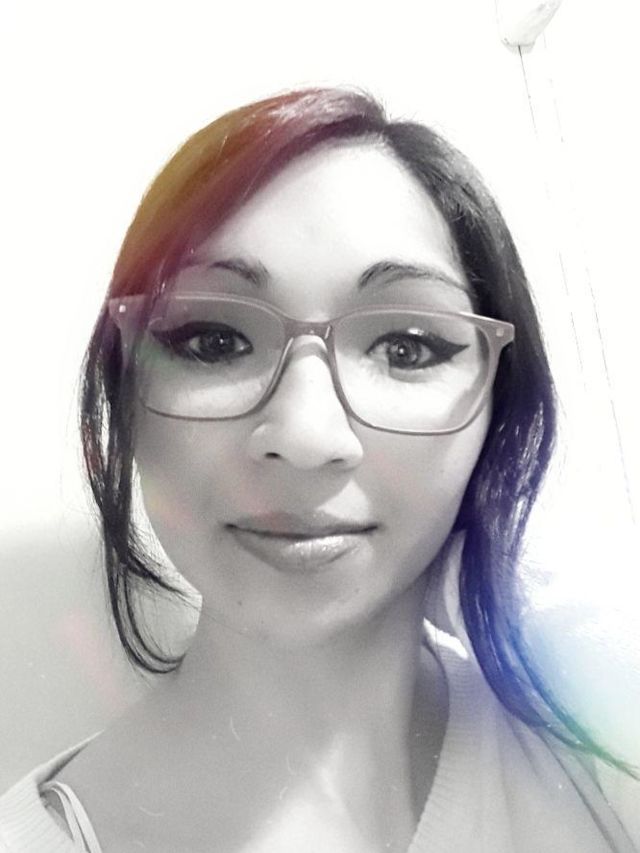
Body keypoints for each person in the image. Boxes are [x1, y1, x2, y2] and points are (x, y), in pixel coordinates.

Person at [0, 87, 638, 852]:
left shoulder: (606, 752)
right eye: (213, 340)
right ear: (126, 397)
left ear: (496, 411)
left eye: (406, 346)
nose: (306, 436)